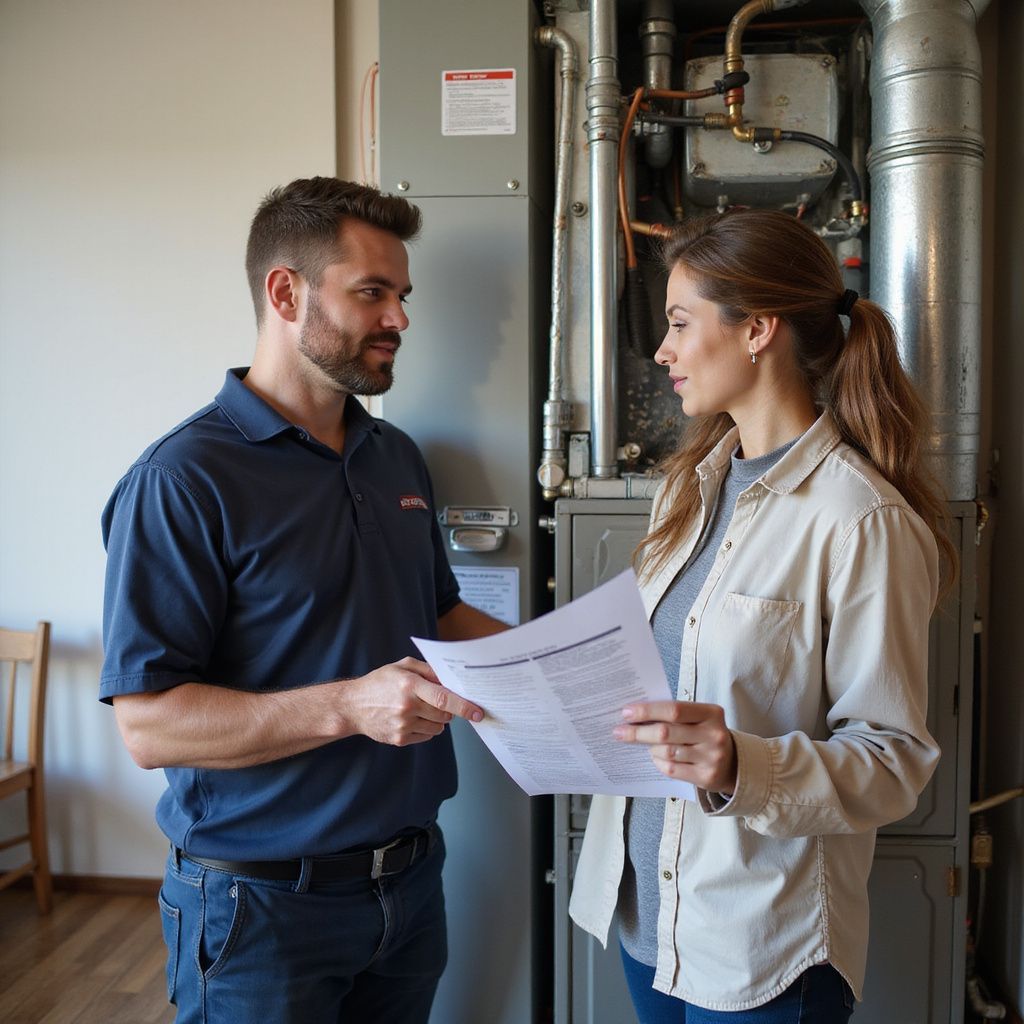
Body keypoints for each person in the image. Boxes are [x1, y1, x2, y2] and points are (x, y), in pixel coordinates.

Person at [100, 176, 507, 1024]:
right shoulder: (181, 479)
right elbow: (148, 727)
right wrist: (350, 706)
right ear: (285, 292)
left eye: (401, 294)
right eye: (371, 292)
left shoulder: (395, 455)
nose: (399, 318)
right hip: (258, 909)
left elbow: (436, 616)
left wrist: (564, 666)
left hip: (411, 887)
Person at [569, 208, 954, 1022]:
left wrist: (740, 764)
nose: (662, 350)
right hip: (650, 919)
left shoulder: (860, 522)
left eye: (679, 323)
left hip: (759, 947)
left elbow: (893, 762)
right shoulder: (687, 488)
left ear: (758, 331)